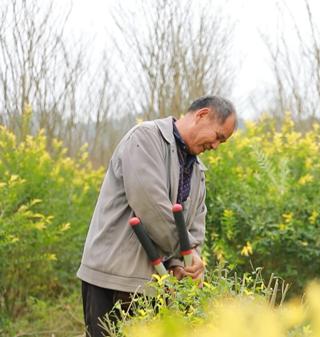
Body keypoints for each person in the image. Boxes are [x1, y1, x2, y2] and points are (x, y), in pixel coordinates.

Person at [77, 96, 237, 337]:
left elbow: (194, 228)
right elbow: (152, 209)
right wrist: (185, 255)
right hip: (112, 279)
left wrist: (189, 265)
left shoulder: (197, 172)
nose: (215, 146)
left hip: (154, 287)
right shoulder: (145, 138)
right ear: (202, 115)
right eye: (218, 137)